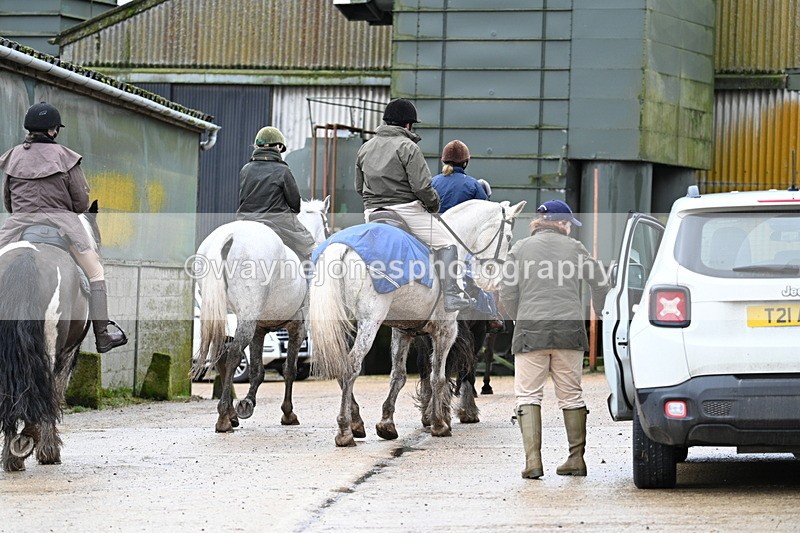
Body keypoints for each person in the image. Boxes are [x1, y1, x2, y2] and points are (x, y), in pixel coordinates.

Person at [0, 102, 127, 354]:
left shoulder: (13, 157)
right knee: (95, 272)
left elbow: (8, 201)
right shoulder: (66, 157)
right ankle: (102, 335)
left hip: (19, 225)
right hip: (62, 226)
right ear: (53, 130)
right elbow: (81, 203)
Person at [500, 199, 608, 479]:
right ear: (561, 223)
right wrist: (600, 311)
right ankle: (576, 459)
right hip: (569, 331)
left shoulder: (519, 249)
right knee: (571, 395)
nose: (571, 228)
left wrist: (521, 317)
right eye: (569, 223)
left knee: (528, 395)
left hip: (530, 332)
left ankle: (533, 462)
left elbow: (507, 292)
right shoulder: (576, 248)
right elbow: (600, 282)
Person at [355, 98, 471, 312]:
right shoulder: (408, 147)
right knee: (447, 243)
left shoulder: (365, 147)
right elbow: (422, 187)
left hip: (372, 212)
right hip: (405, 209)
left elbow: (358, 187)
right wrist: (433, 205)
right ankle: (451, 295)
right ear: (408, 124)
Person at [236, 126, 315, 269]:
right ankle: (309, 274)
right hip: (277, 220)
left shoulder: (245, 169)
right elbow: (295, 203)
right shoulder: (283, 170)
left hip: (246, 218)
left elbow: (243, 198)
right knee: (307, 242)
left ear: (257, 146)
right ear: (278, 147)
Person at [431, 140, 487, 213]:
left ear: (443, 161)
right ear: (465, 163)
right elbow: (484, 211)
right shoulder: (473, 185)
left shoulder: (433, 182)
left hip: (435, 220)